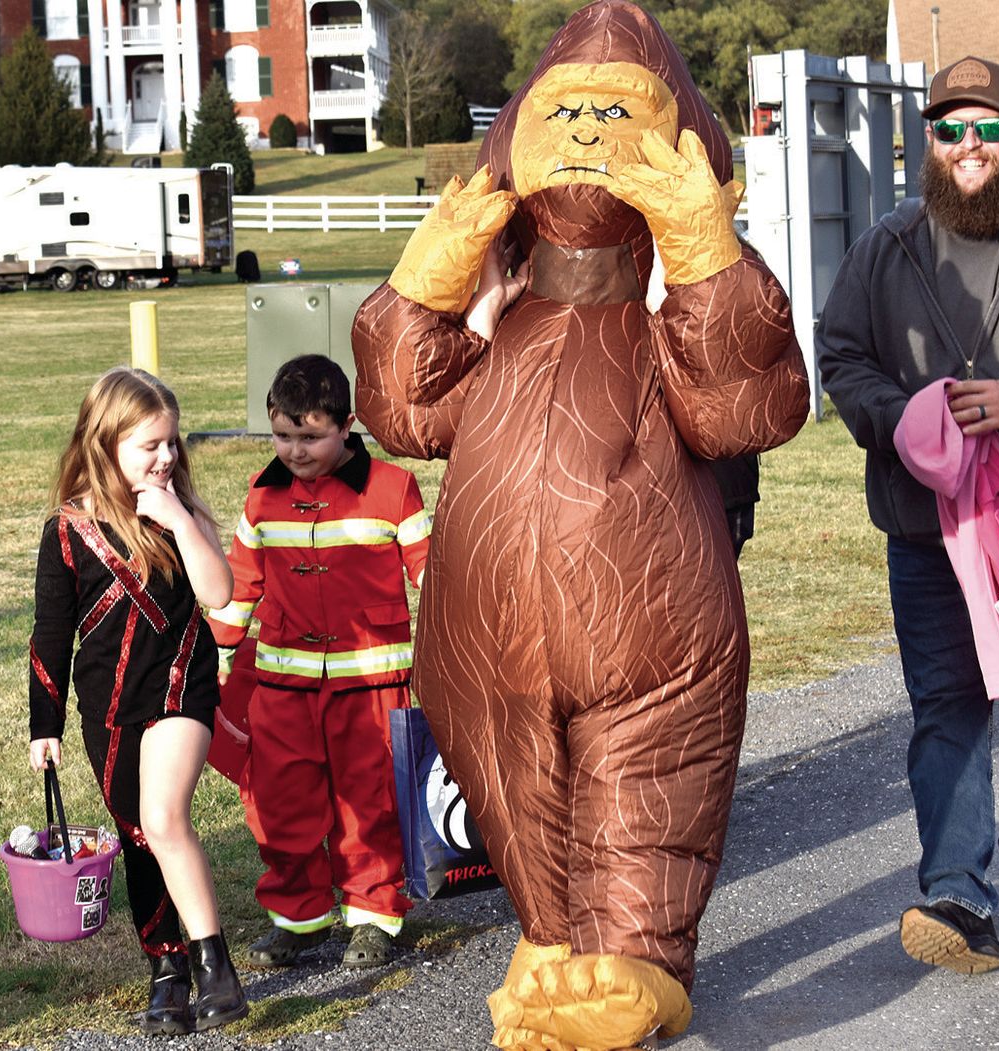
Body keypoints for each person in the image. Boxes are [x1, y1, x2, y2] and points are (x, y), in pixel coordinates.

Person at [352, 3, 809, 1046]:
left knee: (647, 772)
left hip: (654, 619)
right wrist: (422, 285)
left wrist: (703, 252)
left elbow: (748, 404)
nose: (595, 128)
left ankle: (638, 959)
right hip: (487, 634)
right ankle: (556, 938)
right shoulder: (505, 328)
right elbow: (404, 410)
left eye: (620, 108)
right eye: (573, 110)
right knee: (509, 772)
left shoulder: (662, 327)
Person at [817, 54, 999, 975]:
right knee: (950, 707)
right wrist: (902, 421)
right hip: (932, 531)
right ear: (925, 143)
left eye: (985, 128)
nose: (966, 146)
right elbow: (841, 356)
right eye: (947, 129)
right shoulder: (883, 248)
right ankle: (957, 895)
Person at [28, 367, 248, 1034]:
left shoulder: (180, 508)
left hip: (182, 685)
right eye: (149, 444)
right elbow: (51, 632)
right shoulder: (66, 529)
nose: (166, 456)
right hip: (108, 706)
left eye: (172, 442)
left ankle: (217, 968)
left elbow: (218, 593)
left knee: (163, 814)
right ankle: (167, 968)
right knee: (139, 834)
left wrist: (179, 517)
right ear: (105, 441)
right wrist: (47, 723)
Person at [207, 355, 429, 971]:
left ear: (346, 425)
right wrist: (221, 652)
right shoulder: (263, 495)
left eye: (311, 437)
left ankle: (373, 917)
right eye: (283, 435)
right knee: (283, 803)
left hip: (372, 680)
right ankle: (298, 919)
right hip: (283, 683)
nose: (296, 451)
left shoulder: (392, 488)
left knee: (371, 800)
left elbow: (431, 576)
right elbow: (241, 583)